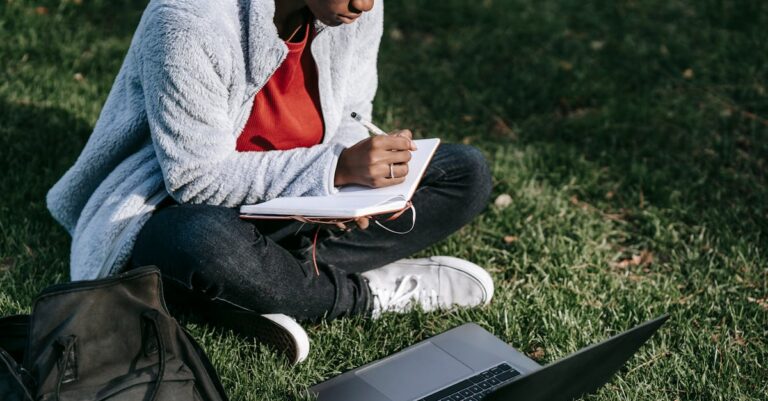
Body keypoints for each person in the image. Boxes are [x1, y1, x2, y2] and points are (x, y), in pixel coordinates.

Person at [46, 0, 494, 364]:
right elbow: (195, 179)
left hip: (296, 204)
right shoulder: (186, 21)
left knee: (464, 173)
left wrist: (353, 192)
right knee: (201, 240)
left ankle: (267, 289)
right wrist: (334, 171)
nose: (365, 4)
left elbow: (352, 115)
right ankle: (362, 294)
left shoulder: (354, 11)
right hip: (178, 209)